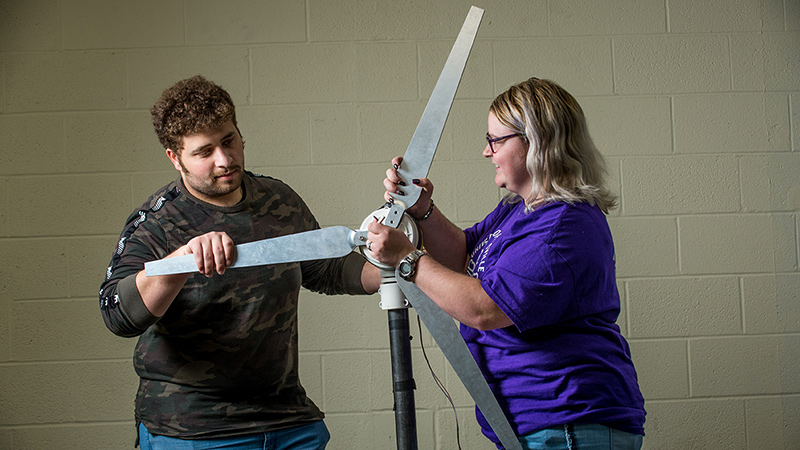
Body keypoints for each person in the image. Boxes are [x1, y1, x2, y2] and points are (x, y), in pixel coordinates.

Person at [99, 75, 380, 449]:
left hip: (287, 420)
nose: (224, 159)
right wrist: (182, 261)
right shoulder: (157, 222)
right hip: (196, 427)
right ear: (175, 157)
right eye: (204, 151)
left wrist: (398, 268)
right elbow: (116, 313)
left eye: (229, 140)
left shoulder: (278, 200)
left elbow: (325, 269)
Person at [366, 77, 646, 449]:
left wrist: (407, 259)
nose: (487, 152)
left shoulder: (563, 225)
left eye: (495, 140)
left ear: (536, 142)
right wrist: (422, 211)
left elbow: (486, 308)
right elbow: (466, 257)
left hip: (569, 423)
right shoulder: (518, 211)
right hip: (541, 426)